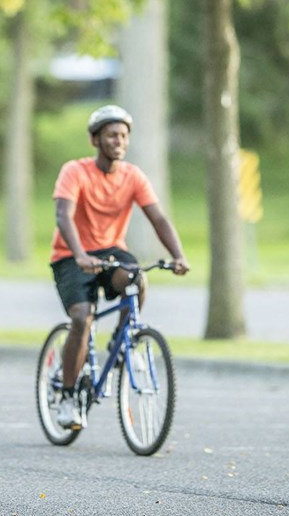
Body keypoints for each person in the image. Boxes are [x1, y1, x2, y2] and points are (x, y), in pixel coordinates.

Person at [49, 104, 190, 429]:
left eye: (124, 135)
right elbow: (63, 216)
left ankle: (122, 343)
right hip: (71, 255)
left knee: (136, 278)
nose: (119, 141)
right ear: (95, 139)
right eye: (112, 135)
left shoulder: (133, 176)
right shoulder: (75, 171)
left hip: (111, 252)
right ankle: (69, 397)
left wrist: (178, 255)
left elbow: (158, 218)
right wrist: (81, 254)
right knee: (82, 319)